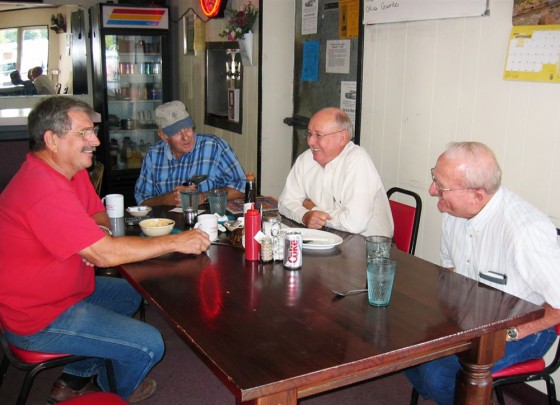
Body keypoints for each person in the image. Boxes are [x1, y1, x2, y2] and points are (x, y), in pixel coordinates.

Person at [0, 96, 211, 403]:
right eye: (84, 133)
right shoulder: (42, 189)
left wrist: (91, 236)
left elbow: (99, 216)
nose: (95, 141)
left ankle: (77, 377)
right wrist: (177, 240)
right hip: (38, 317)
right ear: (52, 140)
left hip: (65, 290)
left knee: (132, 293)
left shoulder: (70, 172)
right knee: (149, 344)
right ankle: (104, 393)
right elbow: (105, 255)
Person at [405, 141, 560, 404]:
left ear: (477, 195)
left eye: (441, 187)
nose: (432, 191)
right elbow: (451, 271)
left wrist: (511, 334)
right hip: (472, 317)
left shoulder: (524, 233)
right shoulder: (453, 212)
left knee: (439, 377)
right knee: (401, 348)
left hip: (525, 330)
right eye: (435, 179)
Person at [278, 107, 393, 237]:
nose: (310, 141)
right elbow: (285, 202)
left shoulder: (357, 159)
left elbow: (354, 223)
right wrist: (304, 215)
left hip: (370, 248)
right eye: (309, 134)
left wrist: (314, 209)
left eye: (318, 135)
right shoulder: (306, 159)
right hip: (330, 238)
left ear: (342, 138)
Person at [134, 100, 246, 206]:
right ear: (163, 136)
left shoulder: (214, 147)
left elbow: (244, 187)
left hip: (206, 222)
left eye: (187, 128)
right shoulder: (153, 155)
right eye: (177, 132)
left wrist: (204, 197)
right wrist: (165, 199)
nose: (186, 137)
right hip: (165, 224)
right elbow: (142, 200)